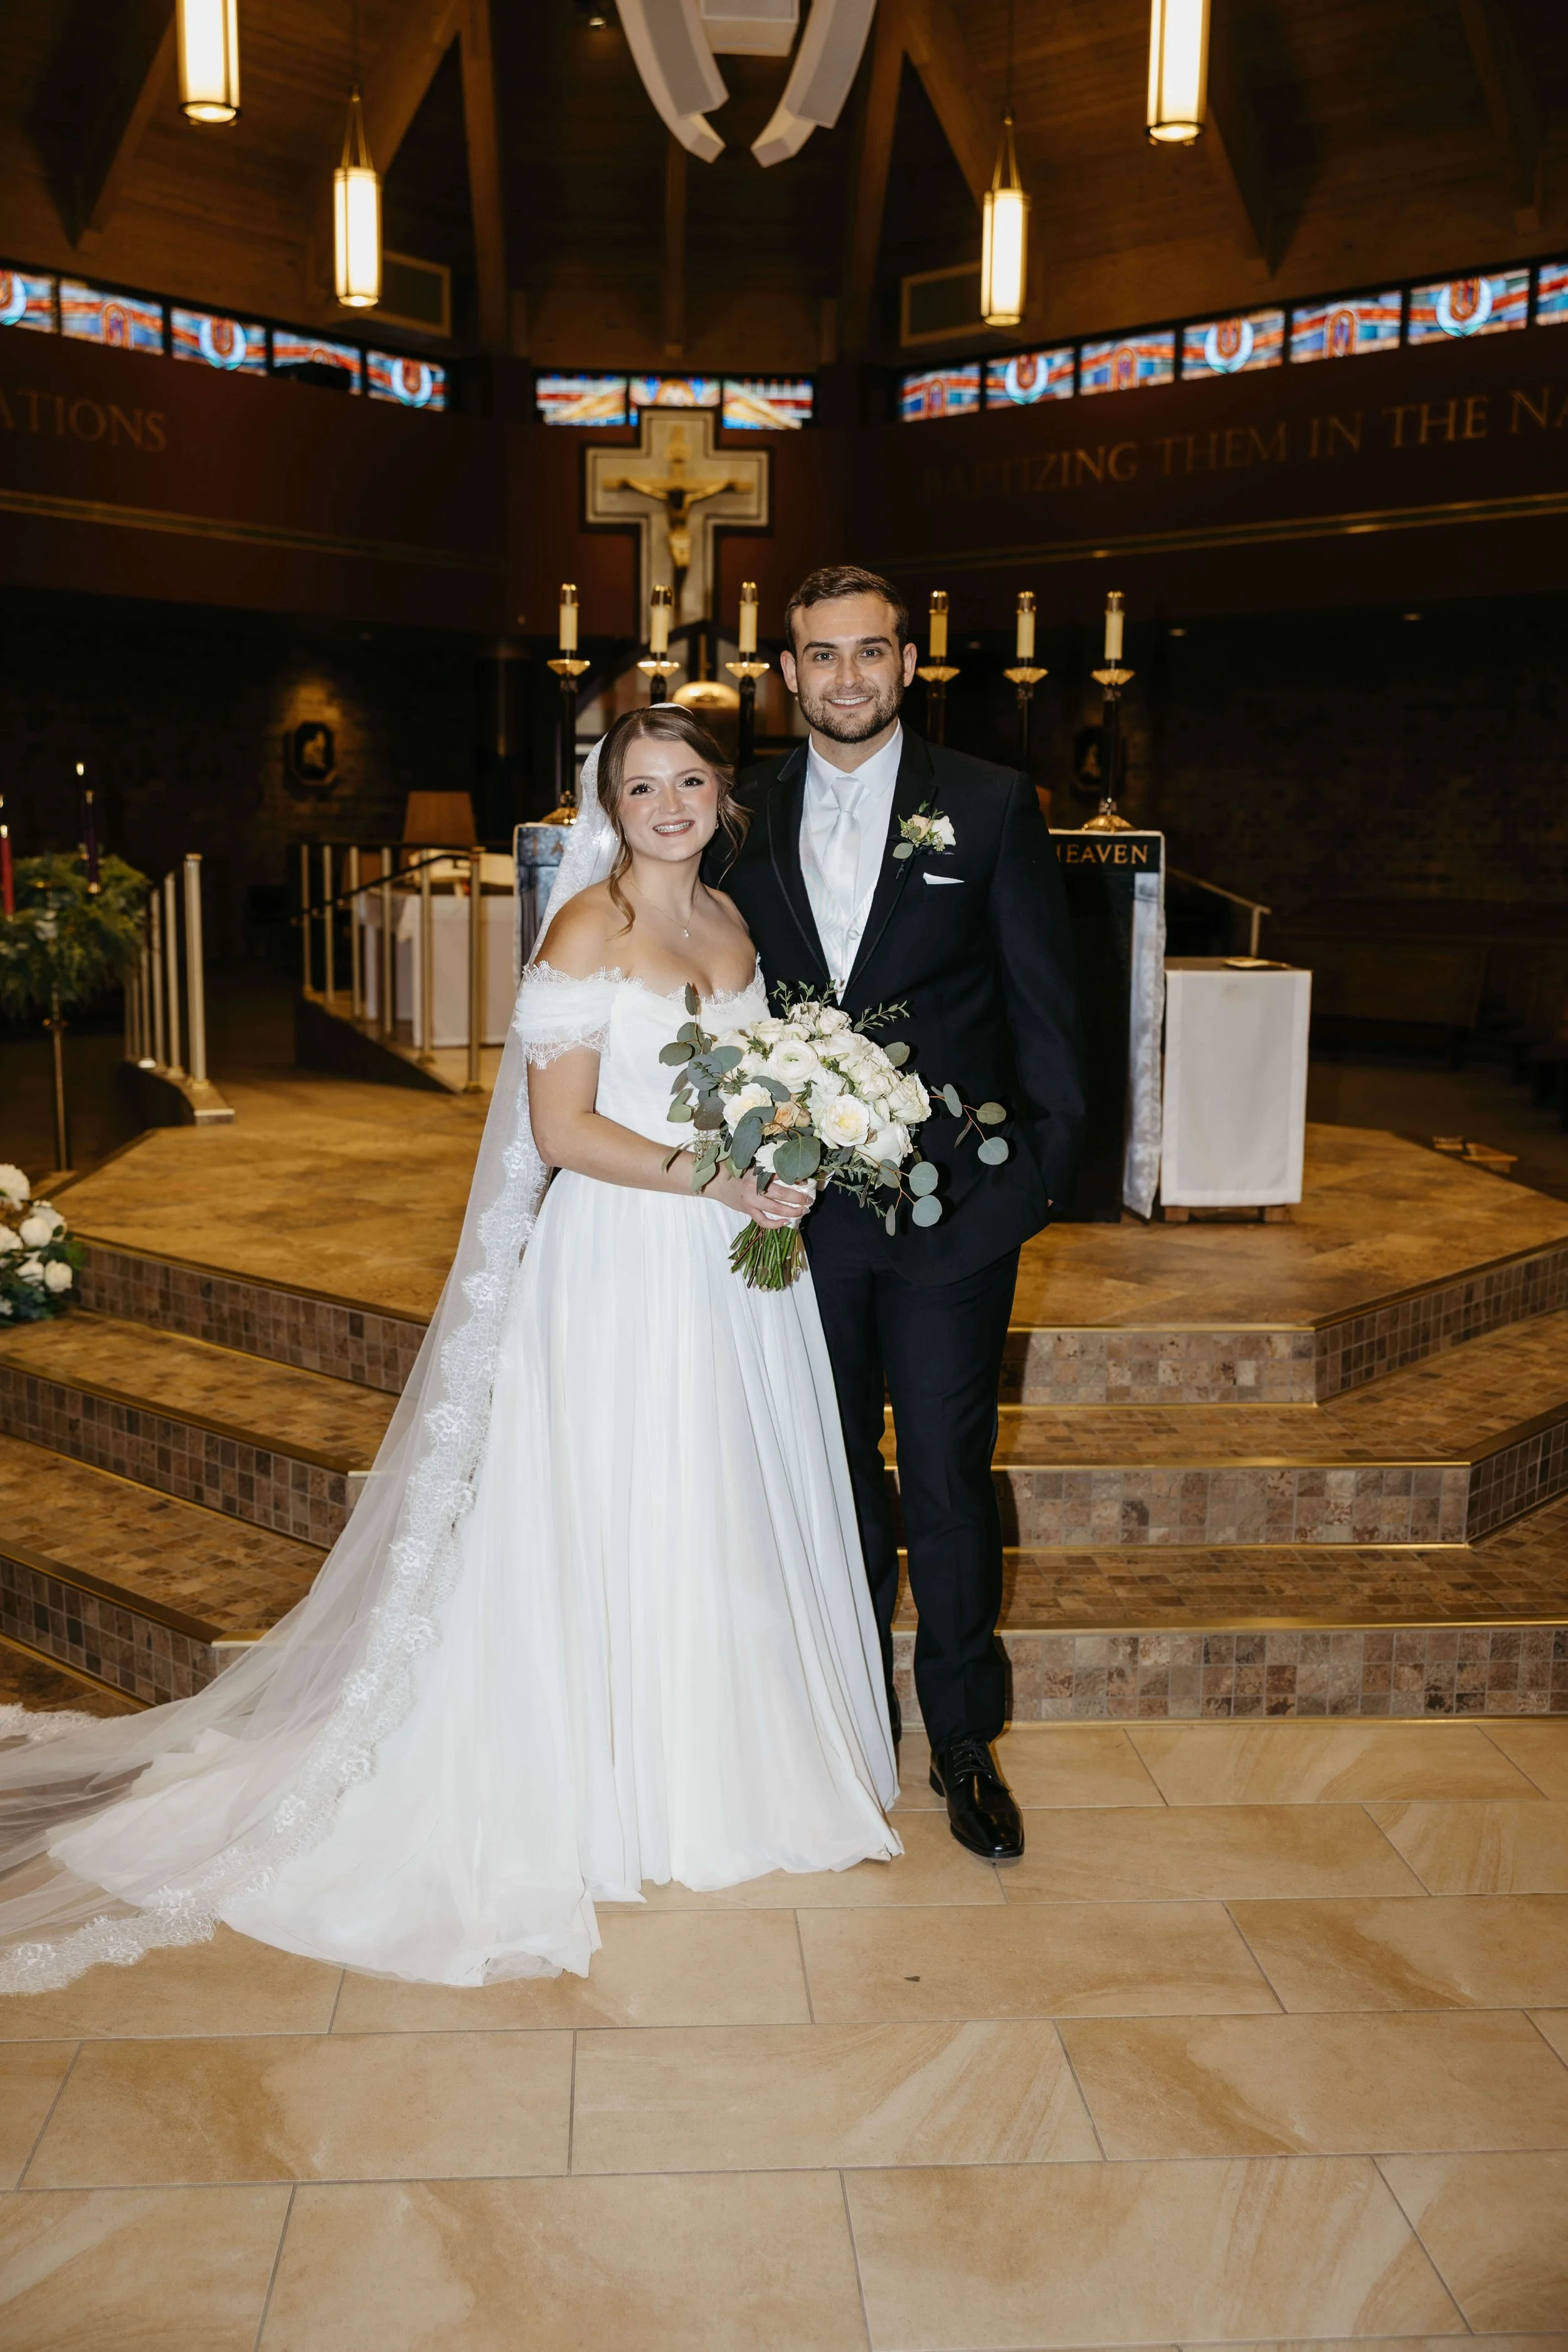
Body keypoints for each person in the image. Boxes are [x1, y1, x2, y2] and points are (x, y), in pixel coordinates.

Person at [0, 707, 898, 1996]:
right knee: (608, 1507)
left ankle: (711, 1771)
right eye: (639, 784)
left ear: (723, 797)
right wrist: (718, 1178)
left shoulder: (733, 926)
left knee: (714, 1504)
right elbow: (564, 1128)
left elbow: (758, 1085)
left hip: (731, 1269)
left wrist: (790, 1155)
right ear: (608, 800)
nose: (667, 804)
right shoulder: (588, 927)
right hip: (622, 1259)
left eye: (688, 780)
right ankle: (600, 1782)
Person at [713, 565, 1084, 1862]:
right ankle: (842, 1715)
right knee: (823, 1476)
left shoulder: (986, 806)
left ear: (908, 666)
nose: (848, 678)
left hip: (952, 1215)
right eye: (822, 656)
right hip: (797, 1214)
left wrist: (1029, 1184)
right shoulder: (737, 812)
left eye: (872, 653)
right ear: (786, 674)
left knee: (941, 1476)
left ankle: (964, 1738)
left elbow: (1045, 1004)